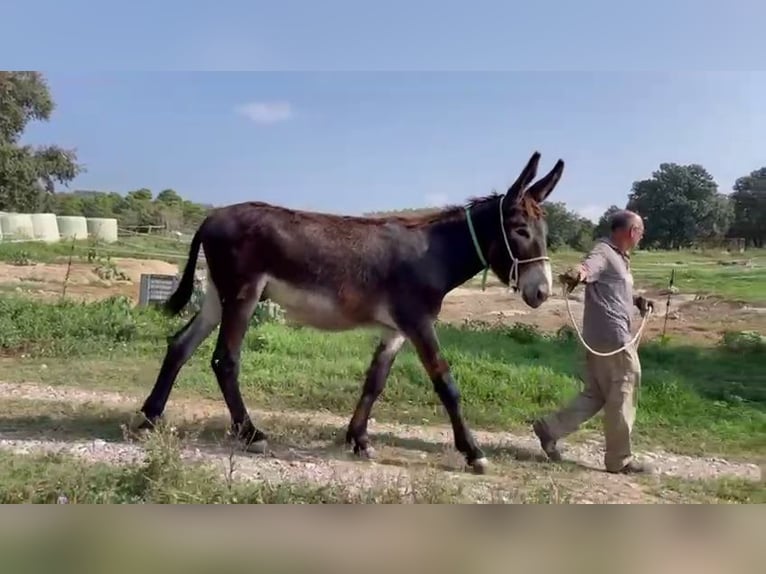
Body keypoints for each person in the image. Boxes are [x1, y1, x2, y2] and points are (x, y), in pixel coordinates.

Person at [532, 209, 656, 474]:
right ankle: (619, 461)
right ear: (631, 231)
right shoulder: (604, 252)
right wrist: (577, 272)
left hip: (599, 337)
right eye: (640, 231)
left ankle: (550, 428)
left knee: (597, 393)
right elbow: (589, 267)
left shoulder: (620, 258)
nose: (641, 236)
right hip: (614, 339)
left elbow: (613, 287)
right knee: (625, 388)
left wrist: (636, 300)